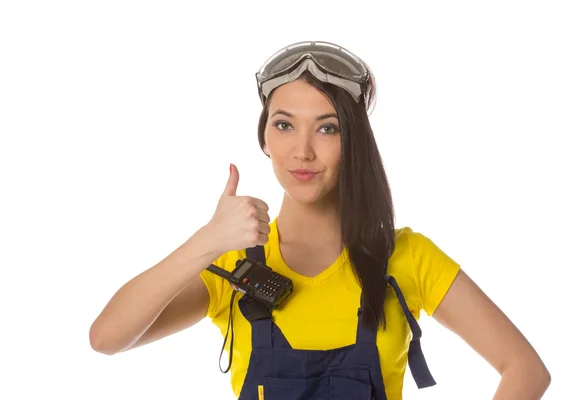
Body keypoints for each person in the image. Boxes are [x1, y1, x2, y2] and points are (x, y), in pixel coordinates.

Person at [89, 41, 551, 399]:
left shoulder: (406, 258)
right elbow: (107, 338)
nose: (302, 151)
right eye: (284, 125)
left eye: (327, 128)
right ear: (264, 138)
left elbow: (525, 369)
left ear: (354, 141)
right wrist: (205, 243)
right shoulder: (230, 262)